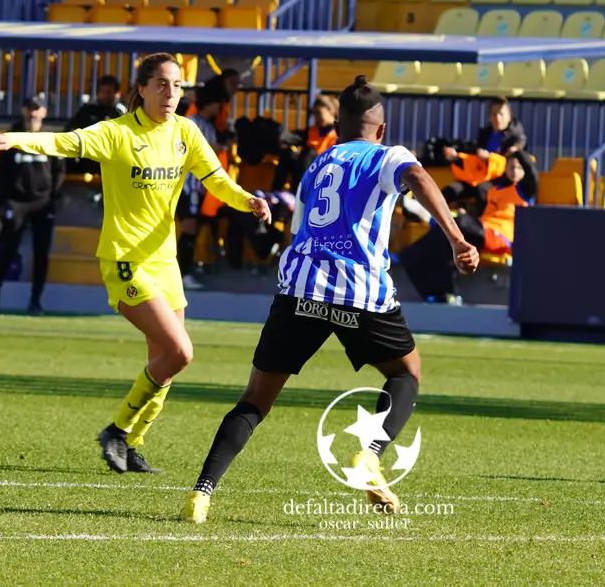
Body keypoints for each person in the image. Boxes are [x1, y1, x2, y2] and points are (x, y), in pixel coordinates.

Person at [178, 75, 479, 524]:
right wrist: (456, 238)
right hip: (359, 292)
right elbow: (417, 175)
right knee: (406, 373)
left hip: (301, 288)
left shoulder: (318, 165)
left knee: (256, 398)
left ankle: (201, 494)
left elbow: (298, 230)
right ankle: (369, 456)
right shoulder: (388, 155)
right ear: (381, 128)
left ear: (338, 126)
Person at [0, 54, 271, 475]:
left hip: (165, 262)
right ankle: (116, 431)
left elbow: (217, 181)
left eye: (177, 85)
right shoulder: (117, 133)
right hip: (125, 260)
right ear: (142, 88)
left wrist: (247, 200)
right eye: (161, 84)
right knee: (180, 352)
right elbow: (66, 142)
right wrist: (16, 139)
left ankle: (133, 444)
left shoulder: (186, 132)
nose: (170, 93)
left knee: (165, 362)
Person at [401, 149, 538, 304]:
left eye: (519, 168)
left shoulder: (524, 191)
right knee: (428, 246)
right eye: (511, 167)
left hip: (501, 238)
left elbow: (532, 172)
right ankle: (441, 293)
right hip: (482, 229)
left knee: (457, 223)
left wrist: (518, 151)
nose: (514, 171)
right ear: (505, 168)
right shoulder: (494, 190)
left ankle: (431, 217)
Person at [0, 97, 63, 315]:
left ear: (44, 112)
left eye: (37, 109)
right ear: (23, 110)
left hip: (42, 202)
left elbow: (59, 171)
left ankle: (35, 301)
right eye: (29, 108)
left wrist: (53, 197)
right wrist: (6, 200)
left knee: (41, 253)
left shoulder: (51, 139)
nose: (32, 114)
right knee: (8, 249)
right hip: (17, 202)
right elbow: (1, 172)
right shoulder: (12, 138)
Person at [177, 81, 232, 289]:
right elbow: (185, 148)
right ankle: (182, 274)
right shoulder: (191, 123)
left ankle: (184, 271)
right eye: (218, 103)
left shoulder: (209, 126)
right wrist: (213, 147)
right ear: (210, 102)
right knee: (189, 228)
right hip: (187, 185)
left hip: (200, 188)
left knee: (195, 228)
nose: (220, 108)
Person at [440, 97, 526, 213]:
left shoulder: (516, 137)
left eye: (501, 114)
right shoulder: (485, 133)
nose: (497, 118)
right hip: (478, 177)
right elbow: (474, 157)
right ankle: (430, 213)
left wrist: (489, 158)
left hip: (500, 180)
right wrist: (456, 157)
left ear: (509, 115)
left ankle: (474, 219)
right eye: (494, 114)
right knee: (452, 189)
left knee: (482, 190)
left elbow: (512, 164)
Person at [272, 94, 338, 191]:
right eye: (314, 113)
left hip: (326, 169)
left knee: (308, 152)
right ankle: (276, 191)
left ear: (330, 111)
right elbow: (291, 137)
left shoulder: (338, 133)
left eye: (318, 113)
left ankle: (297, 193)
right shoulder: (311, 131)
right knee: (288, 153)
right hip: (306, 170)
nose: (316, 117)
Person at [64, 75, 127, 177]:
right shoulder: (87, 111)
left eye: (109, 92)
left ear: (117, 93)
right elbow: (71, 132)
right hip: (88, 162)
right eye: (102, 91)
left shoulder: (122, 114)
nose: (105, 95)